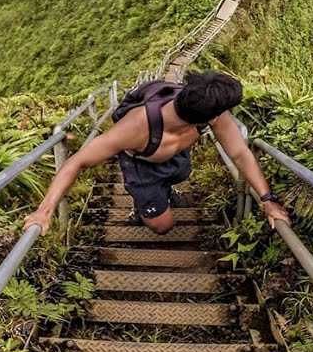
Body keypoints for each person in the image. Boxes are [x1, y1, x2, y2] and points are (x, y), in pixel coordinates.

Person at [24, 71, 290, 234]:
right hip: (141, 163)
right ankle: (141, 206)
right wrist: (44, 211)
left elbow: (240, 153)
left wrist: (267, 199)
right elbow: (77, 161)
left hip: (174, 158)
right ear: (212, 115)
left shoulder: (212, 116)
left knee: (182, 172)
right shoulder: (135, 128)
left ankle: (166, 190)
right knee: (163, 227)